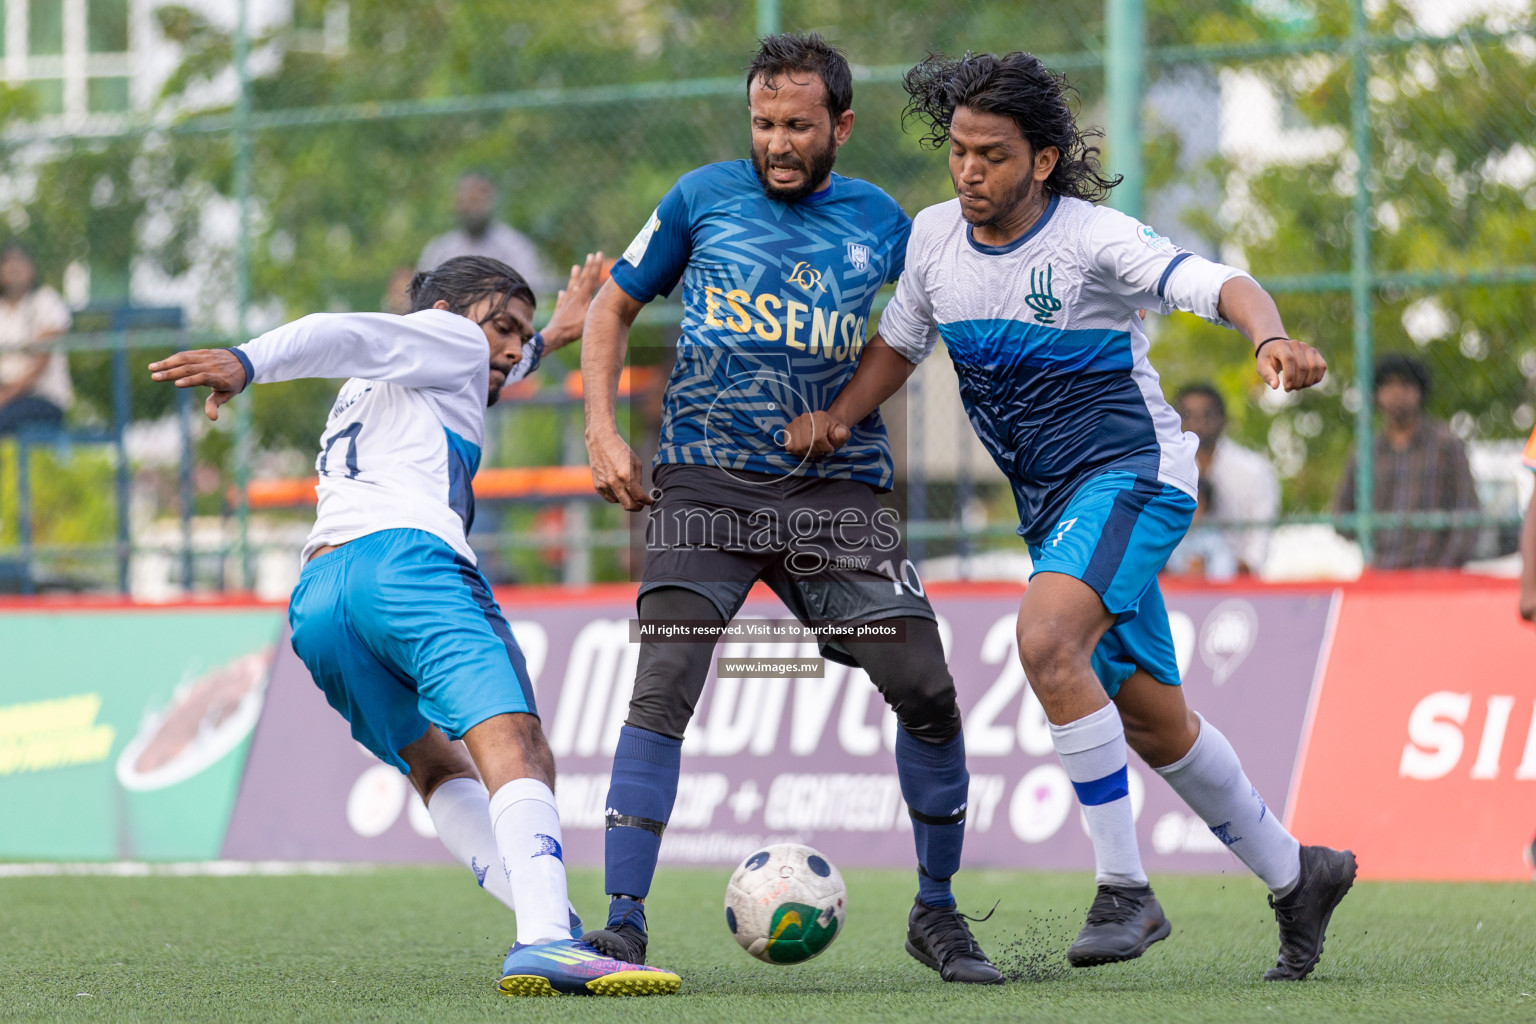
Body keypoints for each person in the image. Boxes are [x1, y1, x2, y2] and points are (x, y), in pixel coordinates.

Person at [784, 50, 1353, 981]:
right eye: (959, 152)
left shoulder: (1093, 240)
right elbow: (900, 342)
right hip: (1055, 512)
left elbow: (1220, 284)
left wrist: (1272, 337)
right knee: (1156, 725)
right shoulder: (934, 239)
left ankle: (1126, 888)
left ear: (1043, 161)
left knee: (1047, 643)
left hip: (1135, 477)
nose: (970, 172)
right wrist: (839, 420)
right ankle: (1301, 877)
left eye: (993, 155)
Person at [580, 33, 1002, 985]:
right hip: (703, 486)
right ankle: (621, 925)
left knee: (927, 688)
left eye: (798, 126)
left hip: (835, 489)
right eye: (765, 123)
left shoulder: (884, 220)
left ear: (840, 127)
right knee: (664, 682)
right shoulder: (699, 198)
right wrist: (603, 432)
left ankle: (936, 914)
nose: (777, 141)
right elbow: (612, 307)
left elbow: (935, 303)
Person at [148, 254, 681, 997]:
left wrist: (554, 336)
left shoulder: (404, 378)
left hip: (322, 596)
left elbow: (494, 363)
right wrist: (246, 362)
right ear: (446, 310)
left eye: (518, 333)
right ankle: (545, 940)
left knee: (435, 767)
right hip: (408, 565)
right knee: (514, 739)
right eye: (501, 324)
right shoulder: (443, 337)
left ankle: (547, 915)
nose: (506, 346)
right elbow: (344, 331)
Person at [1334, 353, 1481, 569]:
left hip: (1432, 573)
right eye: (1388, 385)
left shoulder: (1446, 445)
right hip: (1379, 572)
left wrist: (1446, 567)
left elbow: (1468, 513)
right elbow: (1342, 514)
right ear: (1377, 394)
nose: (1396, 393)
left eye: (1405, 384)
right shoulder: (1366, 450)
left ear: (1419, 392)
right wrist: (1370, 547)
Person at [1175, 381, 1279, 574]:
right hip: (1178, 580)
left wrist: (1236, 572)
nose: (1197, 424)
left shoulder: (1253, 469)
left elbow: (1261, 536)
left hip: (1238, 582)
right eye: (1189, 416)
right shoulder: (1167, 470)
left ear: (1222, 419)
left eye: (1207, 415)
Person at [420, 173, 557, 296]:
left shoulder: (515, 246)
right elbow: (423, 293)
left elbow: (530, 290)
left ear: (491, 202)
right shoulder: (440, 249)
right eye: (465, 200)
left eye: (476, 200)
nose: (470, 208)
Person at [0, 243, 74, 437]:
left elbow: (40, 364)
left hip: (42, 398)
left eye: (20, 261)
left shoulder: (46, 301)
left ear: (32, 268)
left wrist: (5, 396)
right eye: (7, 262)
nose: (13, 267)